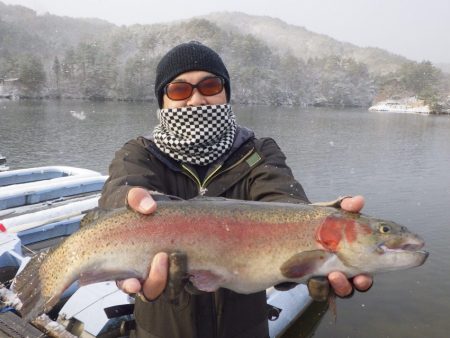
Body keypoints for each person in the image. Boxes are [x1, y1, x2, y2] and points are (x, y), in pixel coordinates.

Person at [99, 41, 372, 338]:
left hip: (245, 328)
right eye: (179, 90)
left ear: (225, 92)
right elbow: (120, 189)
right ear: (162, 101)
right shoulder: (139, 153)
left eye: (210, 85)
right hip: (160, 328)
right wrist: (128, 202)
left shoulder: (259, 152)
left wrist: (311, 229)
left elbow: (282, 197)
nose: (196, 100)